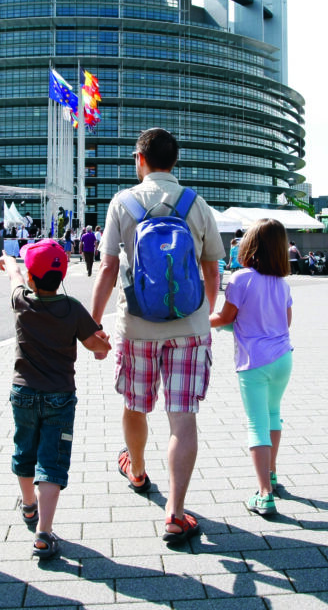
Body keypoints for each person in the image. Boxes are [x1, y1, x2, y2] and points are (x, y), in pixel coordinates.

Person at [91, 127, 224, 543]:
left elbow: (109, 269)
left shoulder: (122, 203)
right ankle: (175, 513)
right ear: (175, 161)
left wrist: (93, 324)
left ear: (140, 159)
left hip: (137, 327)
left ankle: (138, 469)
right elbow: (212, 270)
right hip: (189, 328)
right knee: (182, 418)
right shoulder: (196, 204)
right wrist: (203, 314)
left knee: (135, 404)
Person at [0, 239, 110, 559]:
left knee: (24, 451)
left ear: (32, 277)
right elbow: (95, 346)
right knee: (51, 461)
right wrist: (104, 346)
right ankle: (43, 533)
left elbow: (14, 277)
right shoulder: (72, 308)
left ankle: (28, 505)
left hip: (23, 394)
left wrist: (8, 263)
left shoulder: (22, 300)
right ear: (62, 276)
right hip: (60, 396)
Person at [209, 218, 293, 517]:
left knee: (256, 423)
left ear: (250, 246)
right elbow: (284, 322)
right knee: (273, 415)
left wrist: (201, 323)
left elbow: (226, 316)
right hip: (283, 358)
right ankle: (271, 473)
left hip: (254, 361)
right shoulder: (282, 283)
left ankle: (264, 494)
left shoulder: (241, 279)